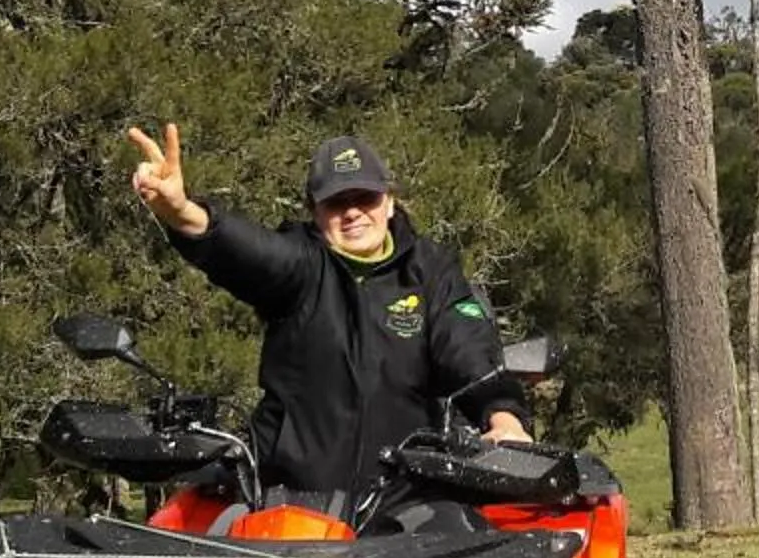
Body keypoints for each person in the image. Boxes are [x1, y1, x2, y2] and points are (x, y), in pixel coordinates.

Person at [126, 120, 531, 507]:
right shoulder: (301, 264)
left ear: (388, 201)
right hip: (290, 503)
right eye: (336, 202)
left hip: (407, 502)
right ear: (316, 213)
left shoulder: (432, 271)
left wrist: (504, 417)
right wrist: (183, 214)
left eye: (365, 197)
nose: (352, 212)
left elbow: (467, 348)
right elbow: (248, 251)